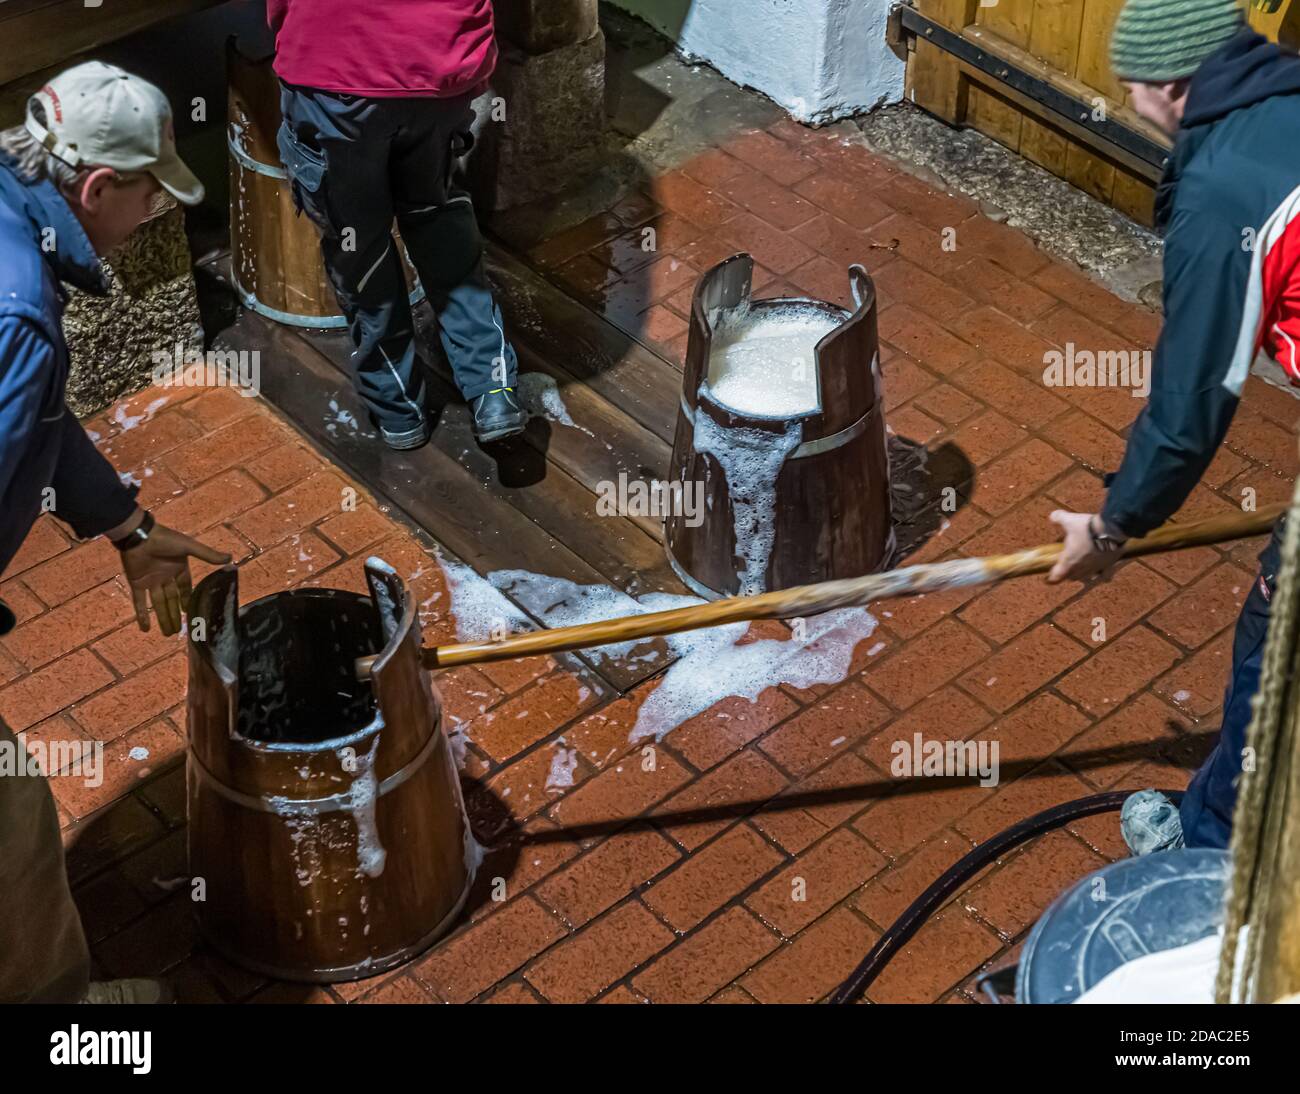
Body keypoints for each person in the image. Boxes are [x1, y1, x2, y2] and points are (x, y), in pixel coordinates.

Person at [0, 62, 230, 1003]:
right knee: (12, 823)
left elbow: (36, 422)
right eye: (149, 197)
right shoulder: (18, 314)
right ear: (97, 188)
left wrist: (129, 528)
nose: (152, 219)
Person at [1047, 0, 1300, 852]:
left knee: (1280, 642)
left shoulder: (1227, 186)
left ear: (1170, 86)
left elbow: (1193, 400)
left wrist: (1114, 524)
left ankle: (1206, 863)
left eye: (1133, 94)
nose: (1133, 110)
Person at [265, 0, 528, 449]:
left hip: (333, 69)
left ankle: (400, 410)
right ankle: (493, 390)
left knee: (359, 244)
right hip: (440, 58)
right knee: (436, 216)